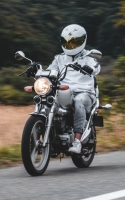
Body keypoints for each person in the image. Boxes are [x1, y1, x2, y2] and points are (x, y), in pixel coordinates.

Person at [47, 24, 101, 154]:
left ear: (82, 41)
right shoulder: (59, 58)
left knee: (78, 101)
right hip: (64, 90)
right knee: (47, 100)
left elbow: (96, 67)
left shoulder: (88, 58)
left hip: (85, 92)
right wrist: (39, 71)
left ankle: (77, 141)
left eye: (74, 42)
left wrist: (91, 69)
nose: (70, 45)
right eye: (67, 42)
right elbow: (50, 70)